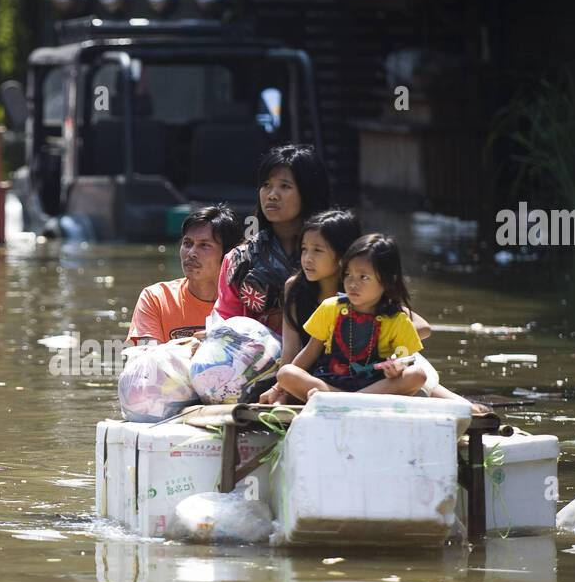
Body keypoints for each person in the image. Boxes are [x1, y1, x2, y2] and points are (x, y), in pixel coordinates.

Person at [275, 233, 429, 400]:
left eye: (363, 277)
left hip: (374, 387)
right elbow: (310, 352)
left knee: (417, 375)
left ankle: (338, 400)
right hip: (329, 381)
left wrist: (396, 367)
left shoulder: (397, 320)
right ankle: (347, 399)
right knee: (286, 373)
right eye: (348, 274)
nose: (353, 284)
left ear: (387, 280)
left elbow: (405, 359)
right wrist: (278, 389)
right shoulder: (330, 307)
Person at [214, 143, 330, 336]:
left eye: (284, 186)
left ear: (308, 192)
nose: (272, 195)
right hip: (254, 359)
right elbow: (226, 321)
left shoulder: (336, 253)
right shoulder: (239, 259)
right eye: (266, 185)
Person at [127, 204, 243, 344]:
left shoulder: (246, 303)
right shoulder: (156, 298)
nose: (191, 253)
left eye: (204, 245)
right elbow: (144, 359)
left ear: (228, 254)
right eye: (187, 243)